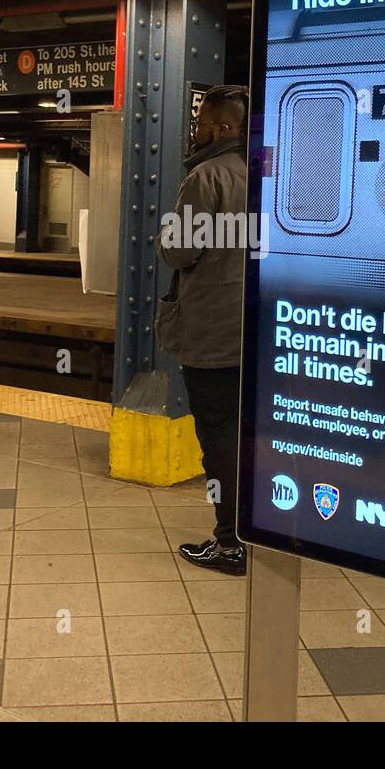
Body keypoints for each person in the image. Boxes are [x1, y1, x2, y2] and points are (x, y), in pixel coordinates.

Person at [156, 85, 250, 576]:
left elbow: (179, 252)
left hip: (214, 333)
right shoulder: (270, 172)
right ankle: (259, 530)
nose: (195, 131)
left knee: (218, 440)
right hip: (259, 333)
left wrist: (166, 234)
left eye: (201, 123)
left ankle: (230, 543)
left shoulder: (206, 176)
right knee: (250, 434)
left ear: (224, 128)